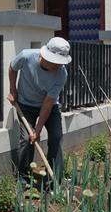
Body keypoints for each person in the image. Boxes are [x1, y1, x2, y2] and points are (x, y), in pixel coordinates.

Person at [7, 37, 71, 185]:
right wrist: (13, 90)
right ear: (45, 56)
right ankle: (23, 177)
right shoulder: (26, 56)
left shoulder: (62, 74)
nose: (58, 66)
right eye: (55, 62)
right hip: (25, 105)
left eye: (61, 63)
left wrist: (38, 129)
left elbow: (48, 103)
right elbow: (12, 68)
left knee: (56, 137)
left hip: (50, 107)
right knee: (26, 139)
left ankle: (54, 179)